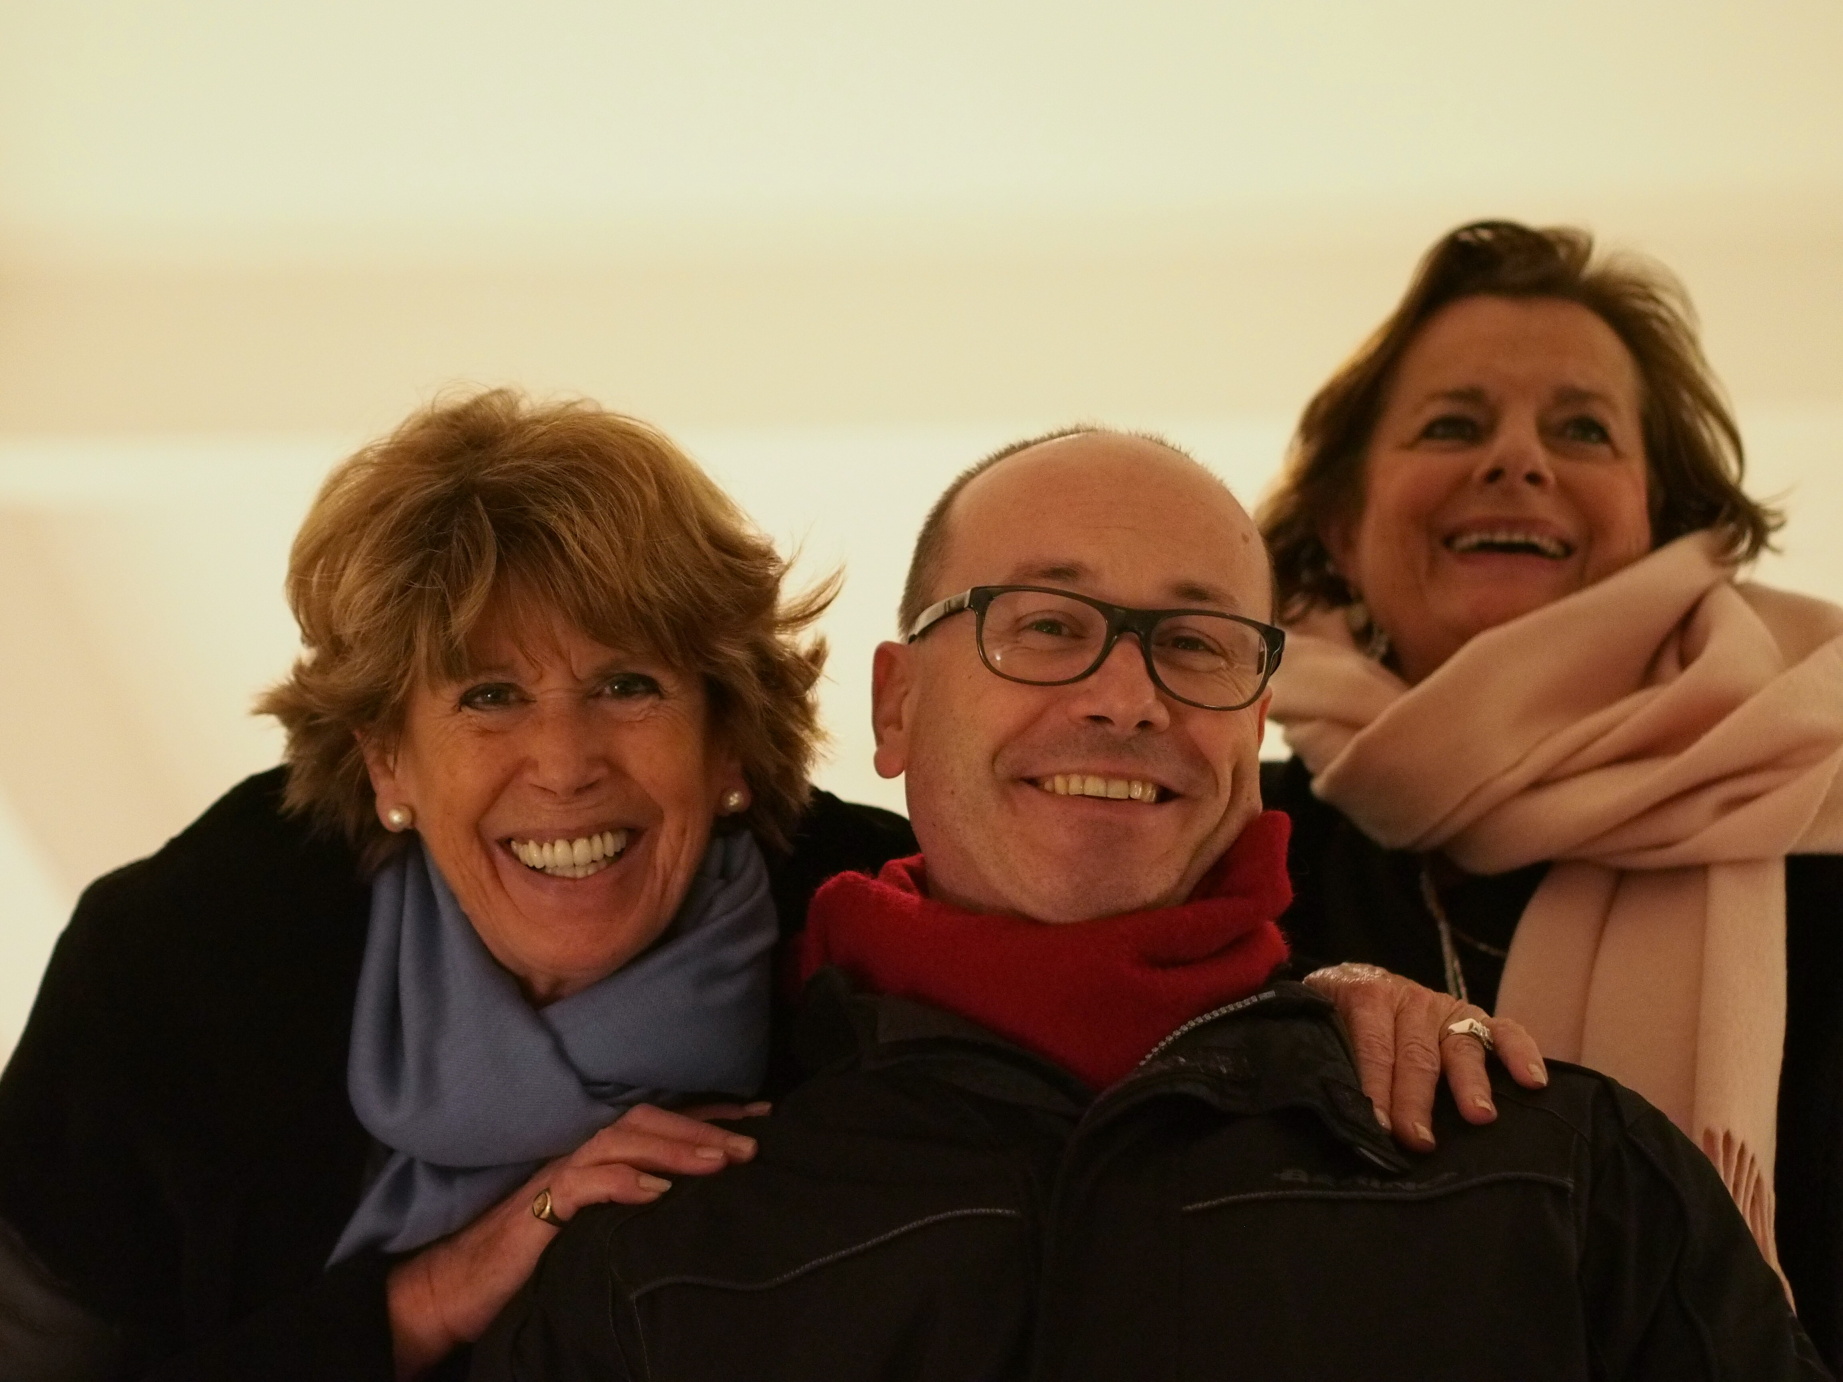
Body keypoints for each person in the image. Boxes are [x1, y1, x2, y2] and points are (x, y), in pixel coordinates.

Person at [472, 428, 1824, 1380]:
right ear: (895, 706)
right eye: (1045, 624)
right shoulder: (666, 1244)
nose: (1126, 697)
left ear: (1252, 723)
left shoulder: (1556, 1167)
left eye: (1194, 642)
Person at [0, 389, 917, 1381]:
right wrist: (431, 1296)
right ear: (388, 763)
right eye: (490, 695)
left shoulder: (893, 946)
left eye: (626, 685)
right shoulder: (182, 960)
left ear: (727, 737)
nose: (563, 764)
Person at [1256, 220, 1843, 1364]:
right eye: (1451, 425)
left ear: (1666, 521)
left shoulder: (1819, 825)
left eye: (1581, 428)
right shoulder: (1234, 852)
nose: (1517, 460)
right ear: (1340, 526)